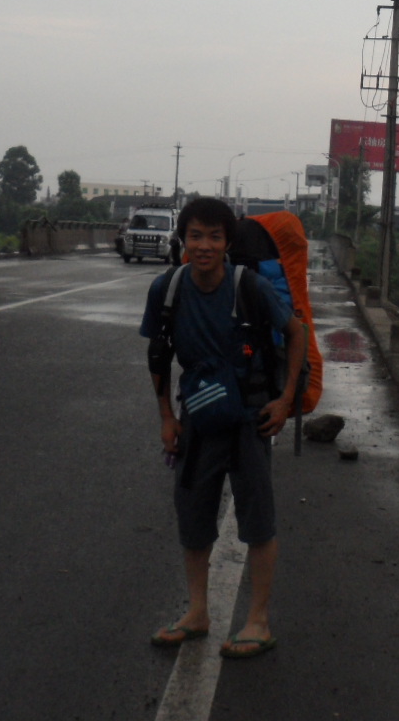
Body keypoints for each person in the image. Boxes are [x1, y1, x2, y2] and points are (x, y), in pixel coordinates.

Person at [141, 196, 307, 660]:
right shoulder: (167, 289)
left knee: (257, 518)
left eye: (215, 236)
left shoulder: (249, 287)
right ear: (183, 240)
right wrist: (166, 418)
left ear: (228, 242)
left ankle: (258, 620)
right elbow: (159, 355)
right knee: (193, 515)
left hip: (251, 416)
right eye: (195, 235)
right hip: (197, 416)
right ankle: (197, 613)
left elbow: (296, 333)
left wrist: (285, 398)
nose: (204, 245)